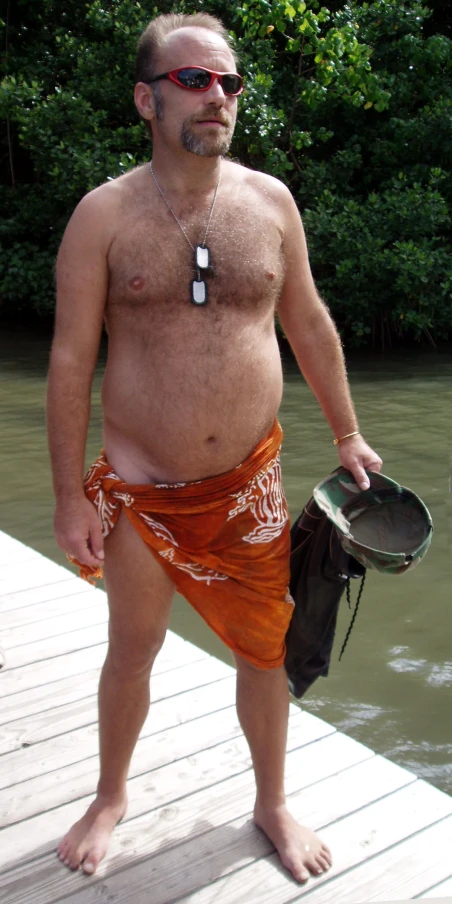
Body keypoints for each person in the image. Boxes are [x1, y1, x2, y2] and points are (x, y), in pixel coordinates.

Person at [47, 11, 382, 884]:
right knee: (134, 646)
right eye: (194, 80)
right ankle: (110, 792)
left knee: (264, 648)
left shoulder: (270, 202)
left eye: (228, 81)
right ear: (145, 98)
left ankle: (271, 800)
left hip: (249, 486)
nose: (217, 96)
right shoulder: (103, 216)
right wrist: (69, 496)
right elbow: (71, 359)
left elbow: (306, 320)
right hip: (142, 485)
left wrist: (347, 432)